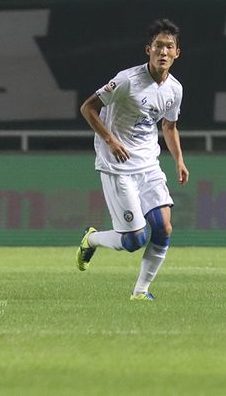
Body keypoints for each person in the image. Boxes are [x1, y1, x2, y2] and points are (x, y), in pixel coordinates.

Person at [76, 18, 190, 300]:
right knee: (134, 240)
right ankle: (91, 239)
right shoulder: (127, 80)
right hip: (118, 166)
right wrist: (111, 140)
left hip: (149, 165)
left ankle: (140, 292)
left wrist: (179, 160)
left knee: (163, 228)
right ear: (148, 49)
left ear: (177, 53)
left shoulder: (175, 89)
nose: (163, 52)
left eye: (169, 47)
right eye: (158, 46)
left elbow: (169, 126)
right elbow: (88, 108)